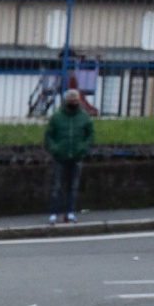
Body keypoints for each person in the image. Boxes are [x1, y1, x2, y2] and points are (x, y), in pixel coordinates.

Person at [43, 88, 94, 224]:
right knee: (57, 186)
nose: (73, 103)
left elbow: (90, 135)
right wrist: (55, 149)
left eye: (75, 100)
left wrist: (83, 148)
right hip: (60, 157)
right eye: (70, 100)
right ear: (65, 102)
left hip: (76, 157)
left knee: (73, 187)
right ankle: (54, 213)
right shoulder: (57, 117)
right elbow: (49, 136)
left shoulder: (84, 117)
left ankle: (70, 213)